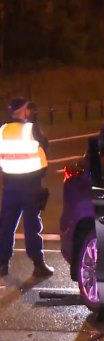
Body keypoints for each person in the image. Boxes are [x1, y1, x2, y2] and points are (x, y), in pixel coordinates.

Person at [0, 98, 53, 277]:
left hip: (10, 184)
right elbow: (45, 148)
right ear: (24, 111)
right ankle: (38, 264)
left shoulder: (3, 130)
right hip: (30, 184)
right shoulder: (32, 129)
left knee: (6, 225)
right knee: (32, 224)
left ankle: (2, 264)